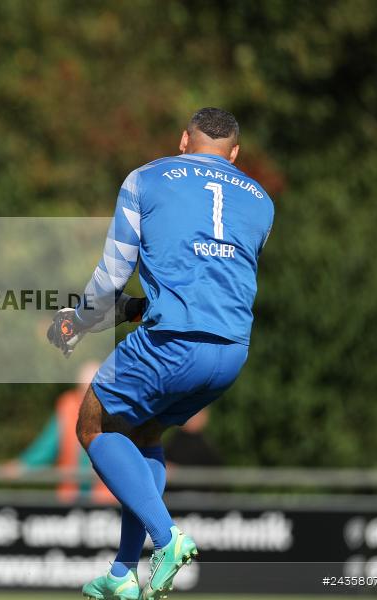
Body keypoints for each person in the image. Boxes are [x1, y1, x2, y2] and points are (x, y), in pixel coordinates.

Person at [47, 108, 274, 599]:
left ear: (183, 141)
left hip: (173, 340)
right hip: (231, 351)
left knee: (93, 423)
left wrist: (75, 320)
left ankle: (167, 537)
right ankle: (123, 574)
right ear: (235, 154)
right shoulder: (262, 201)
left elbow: (111, 278)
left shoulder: (146, 179)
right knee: (144, 431)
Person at [2, 361, 113, 504]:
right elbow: (47, 446)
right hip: (71, 499)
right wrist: (23, 466)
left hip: (105, 503)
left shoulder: (116, 409)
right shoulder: (68, 408)